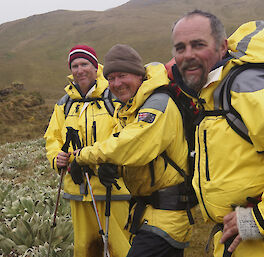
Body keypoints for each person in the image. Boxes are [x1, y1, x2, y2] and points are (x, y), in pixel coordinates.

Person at [73, 44, 197, 257]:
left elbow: (131, 145)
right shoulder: (130, 107)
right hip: (149, 214)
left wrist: (82, 157)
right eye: (110, 78)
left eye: (122, 75)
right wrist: (111, 167)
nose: (116, 84)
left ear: (139, 75)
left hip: (166, 216)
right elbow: (140, 155)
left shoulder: (158, 104)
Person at [172, 9, 264, 257]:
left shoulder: (245, 86)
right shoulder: (209, 94)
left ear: (221, 48)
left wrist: (261, 218)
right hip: (236, 238)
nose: (188, 55)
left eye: (198, 45)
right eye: (180, 47)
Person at [44, 44, 131, 257]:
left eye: (85, 64)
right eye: (75, 65)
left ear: (95, 67)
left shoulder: (113, 97)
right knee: (85, 248)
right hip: (77, 188)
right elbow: (52, 137)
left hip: (112, 187)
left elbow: (126, 135)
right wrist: (58, 158)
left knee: (119, 246)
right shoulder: (65, 104)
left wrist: (110, 164)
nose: (79, 69)